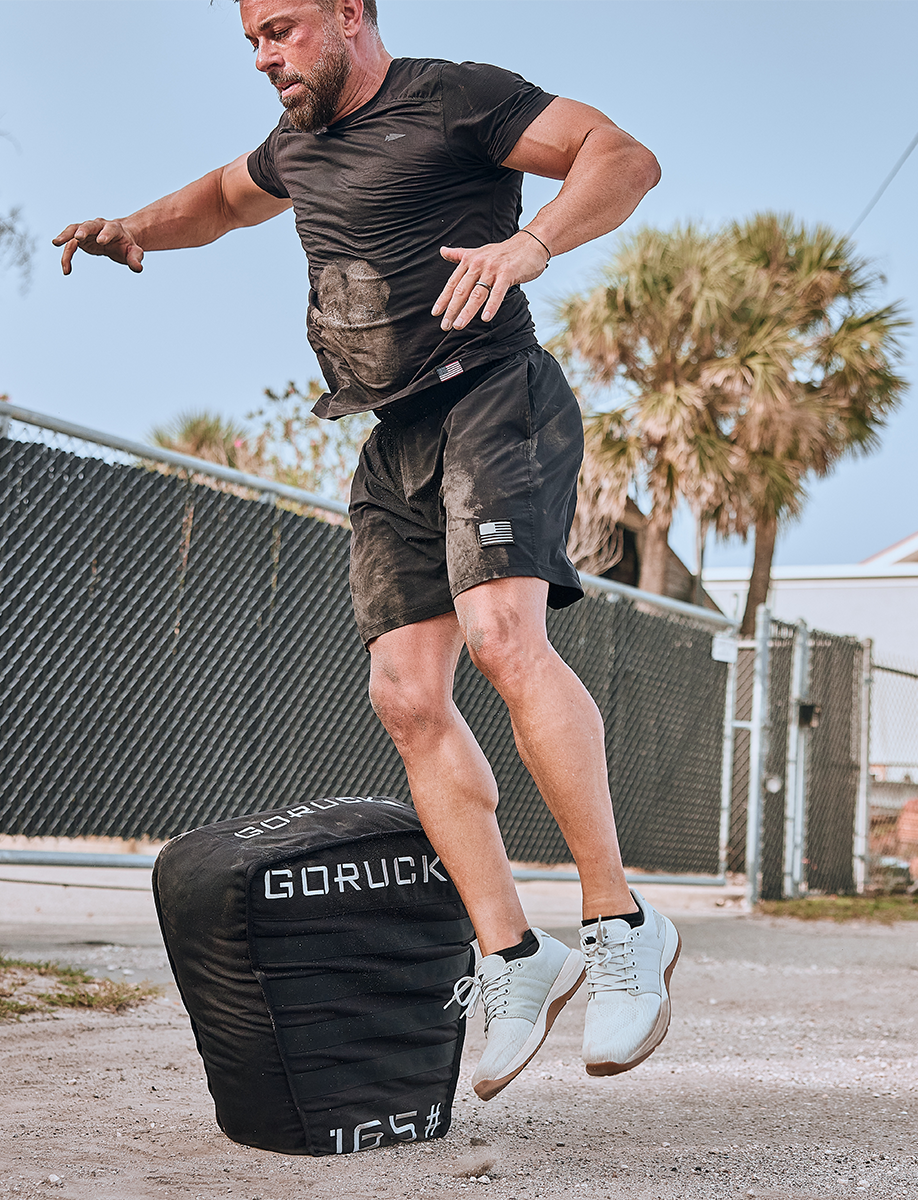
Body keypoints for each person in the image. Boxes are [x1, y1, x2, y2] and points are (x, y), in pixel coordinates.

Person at [55, 0, 678, 1102]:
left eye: (283, 30)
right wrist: (138, 228)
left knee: (501, 636)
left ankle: (623, 924)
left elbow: (623, 157)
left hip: (494, 396)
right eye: (252, 40)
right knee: (404, 696)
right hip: (392, 433)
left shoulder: (454, 97)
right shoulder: (297, 144)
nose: (266, 57)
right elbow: (218, 201)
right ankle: (515, 955)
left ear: (350, 14)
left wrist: (529, 243)